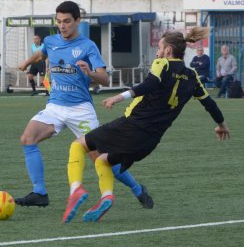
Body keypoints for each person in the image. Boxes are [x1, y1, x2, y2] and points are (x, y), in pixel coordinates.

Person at [62, 28, 230, 223]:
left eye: (159, 47)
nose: (157, 52)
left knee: (77, 145)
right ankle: (106, 197)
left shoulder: (162, 64)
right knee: (102, 161)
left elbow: (148, 85)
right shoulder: (192, 76)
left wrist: (118, 97)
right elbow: (210, 103)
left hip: (131, 127)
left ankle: (76, 189)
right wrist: (221, 124)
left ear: (168, 50)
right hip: (149, 141)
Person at [15, 1, 153, 210]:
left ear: (77, 21)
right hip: (55, 107)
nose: (63, 26)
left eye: (67, 21)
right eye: (59, 21)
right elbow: (41, 53)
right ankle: (39, 192)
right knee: (27, 138)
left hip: (81, 110)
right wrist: (26, 62)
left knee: (102, 159)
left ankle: (137, 189)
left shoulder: (88, 46)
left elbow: (105, 79)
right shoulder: (51, 41)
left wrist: (89, 73)